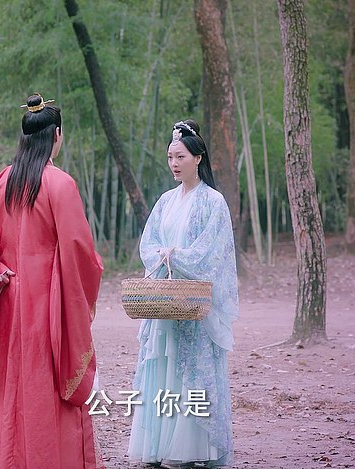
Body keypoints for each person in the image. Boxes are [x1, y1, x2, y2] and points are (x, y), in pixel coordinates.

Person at [0, 93, 105, 469]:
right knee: (45, 387)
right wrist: (87, 279)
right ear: (56, 135)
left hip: (6, 306)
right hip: (47, 309)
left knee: (6, 391)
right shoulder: (60, 184)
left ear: (25, 139)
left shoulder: (3, 182)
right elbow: (80, 253)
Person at [127, 120, 239, 468]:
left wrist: (174, 257)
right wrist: (162, 256)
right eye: (170, 157)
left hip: (194, 304)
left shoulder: (214, 202)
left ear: (198, 158)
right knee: (164, 366)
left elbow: (211, 253)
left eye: (181, 157)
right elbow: (149, 243)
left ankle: (190, 449)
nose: (174, 163)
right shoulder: (165, 201)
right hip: (165, 301)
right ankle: (160, 446)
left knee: (190, 370)